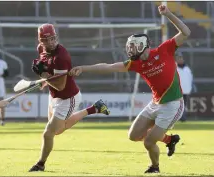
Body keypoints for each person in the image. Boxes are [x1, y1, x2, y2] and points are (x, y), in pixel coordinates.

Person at [69, 5, 191, 173]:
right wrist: (84, 68)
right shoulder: (136, 64)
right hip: (155, 103)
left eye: (133, 46)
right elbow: (108, 66)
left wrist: (168, 14)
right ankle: (170, 140)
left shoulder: (165, 49)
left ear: (143, 45)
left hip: (173, 105)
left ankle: (154, 167)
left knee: (149, 142)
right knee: (133, 136)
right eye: (130, 46)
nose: (130, 49)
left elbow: (186, 32)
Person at [29, 23, 110, 172]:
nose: (51, 42)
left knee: (49, 133)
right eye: (46, 40)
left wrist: (43, 75)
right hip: (53, 95)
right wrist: (44, 81)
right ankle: (95, 108)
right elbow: (49, 73)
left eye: (53, 38)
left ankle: (40, 164)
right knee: (57, 130)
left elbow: (60, 85)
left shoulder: (62, 56)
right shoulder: (41, 50)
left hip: (68, 97)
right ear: (41, 42)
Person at [175, 51, 193, 122]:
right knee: (178, 105)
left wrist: (190, 88)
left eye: (181, 58)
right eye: (178, 58)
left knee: (183, 105)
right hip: (178, 91)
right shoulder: (175, 68)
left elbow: (190, 79)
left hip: (186, 91)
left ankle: (182, 117)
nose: (180, 60)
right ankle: (181, 117)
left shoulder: (187, 69)